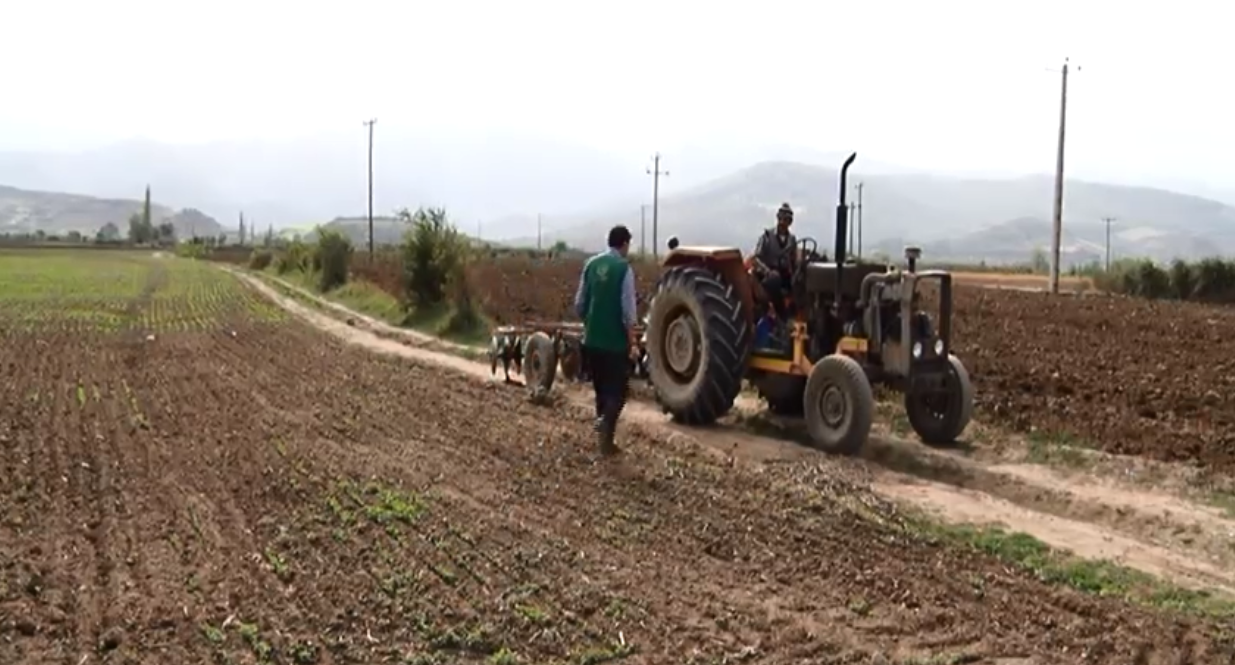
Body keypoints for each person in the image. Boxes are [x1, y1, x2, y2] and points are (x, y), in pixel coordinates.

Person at [573, 225, 638, 456]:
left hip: (591, 341)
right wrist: (633, 342)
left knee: (601, 390)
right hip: (614, 343)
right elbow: (628, 311)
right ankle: (605, 423)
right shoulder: (623, 269)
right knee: (619, 392)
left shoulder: (591, 265)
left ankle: (605, 443)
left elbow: (579, 304)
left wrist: (590, 322)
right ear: (624, 244)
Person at [752, 203, 798, 321]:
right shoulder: (767, 236)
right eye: (781, 218)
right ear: (777, 218)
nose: (783, 222)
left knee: (799, 282)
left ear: (790, 222)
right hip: (767, 276)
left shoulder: (792, 240)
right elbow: (756, 259)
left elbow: (793, 261)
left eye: (786, 220)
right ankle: (781, 315)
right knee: (775, 278)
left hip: (784, 274)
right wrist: (767, 272)